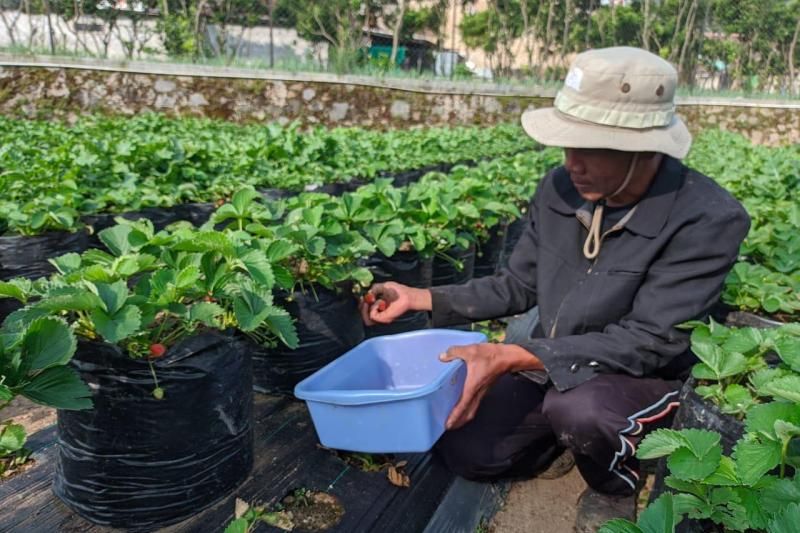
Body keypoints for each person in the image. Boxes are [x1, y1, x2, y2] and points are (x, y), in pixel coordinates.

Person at [359, 47, 751, 530]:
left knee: (583, 410)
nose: (571, 162)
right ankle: (560, 438)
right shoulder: (560, 188)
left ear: (644, 148)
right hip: (552, 355)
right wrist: (425, 298)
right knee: (469, 452)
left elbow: (650, 341)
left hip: (644, 374)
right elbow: (519, 283)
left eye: (588, 147)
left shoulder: (706, 218)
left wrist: (515, 356)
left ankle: (615, 482)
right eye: (567, 144)